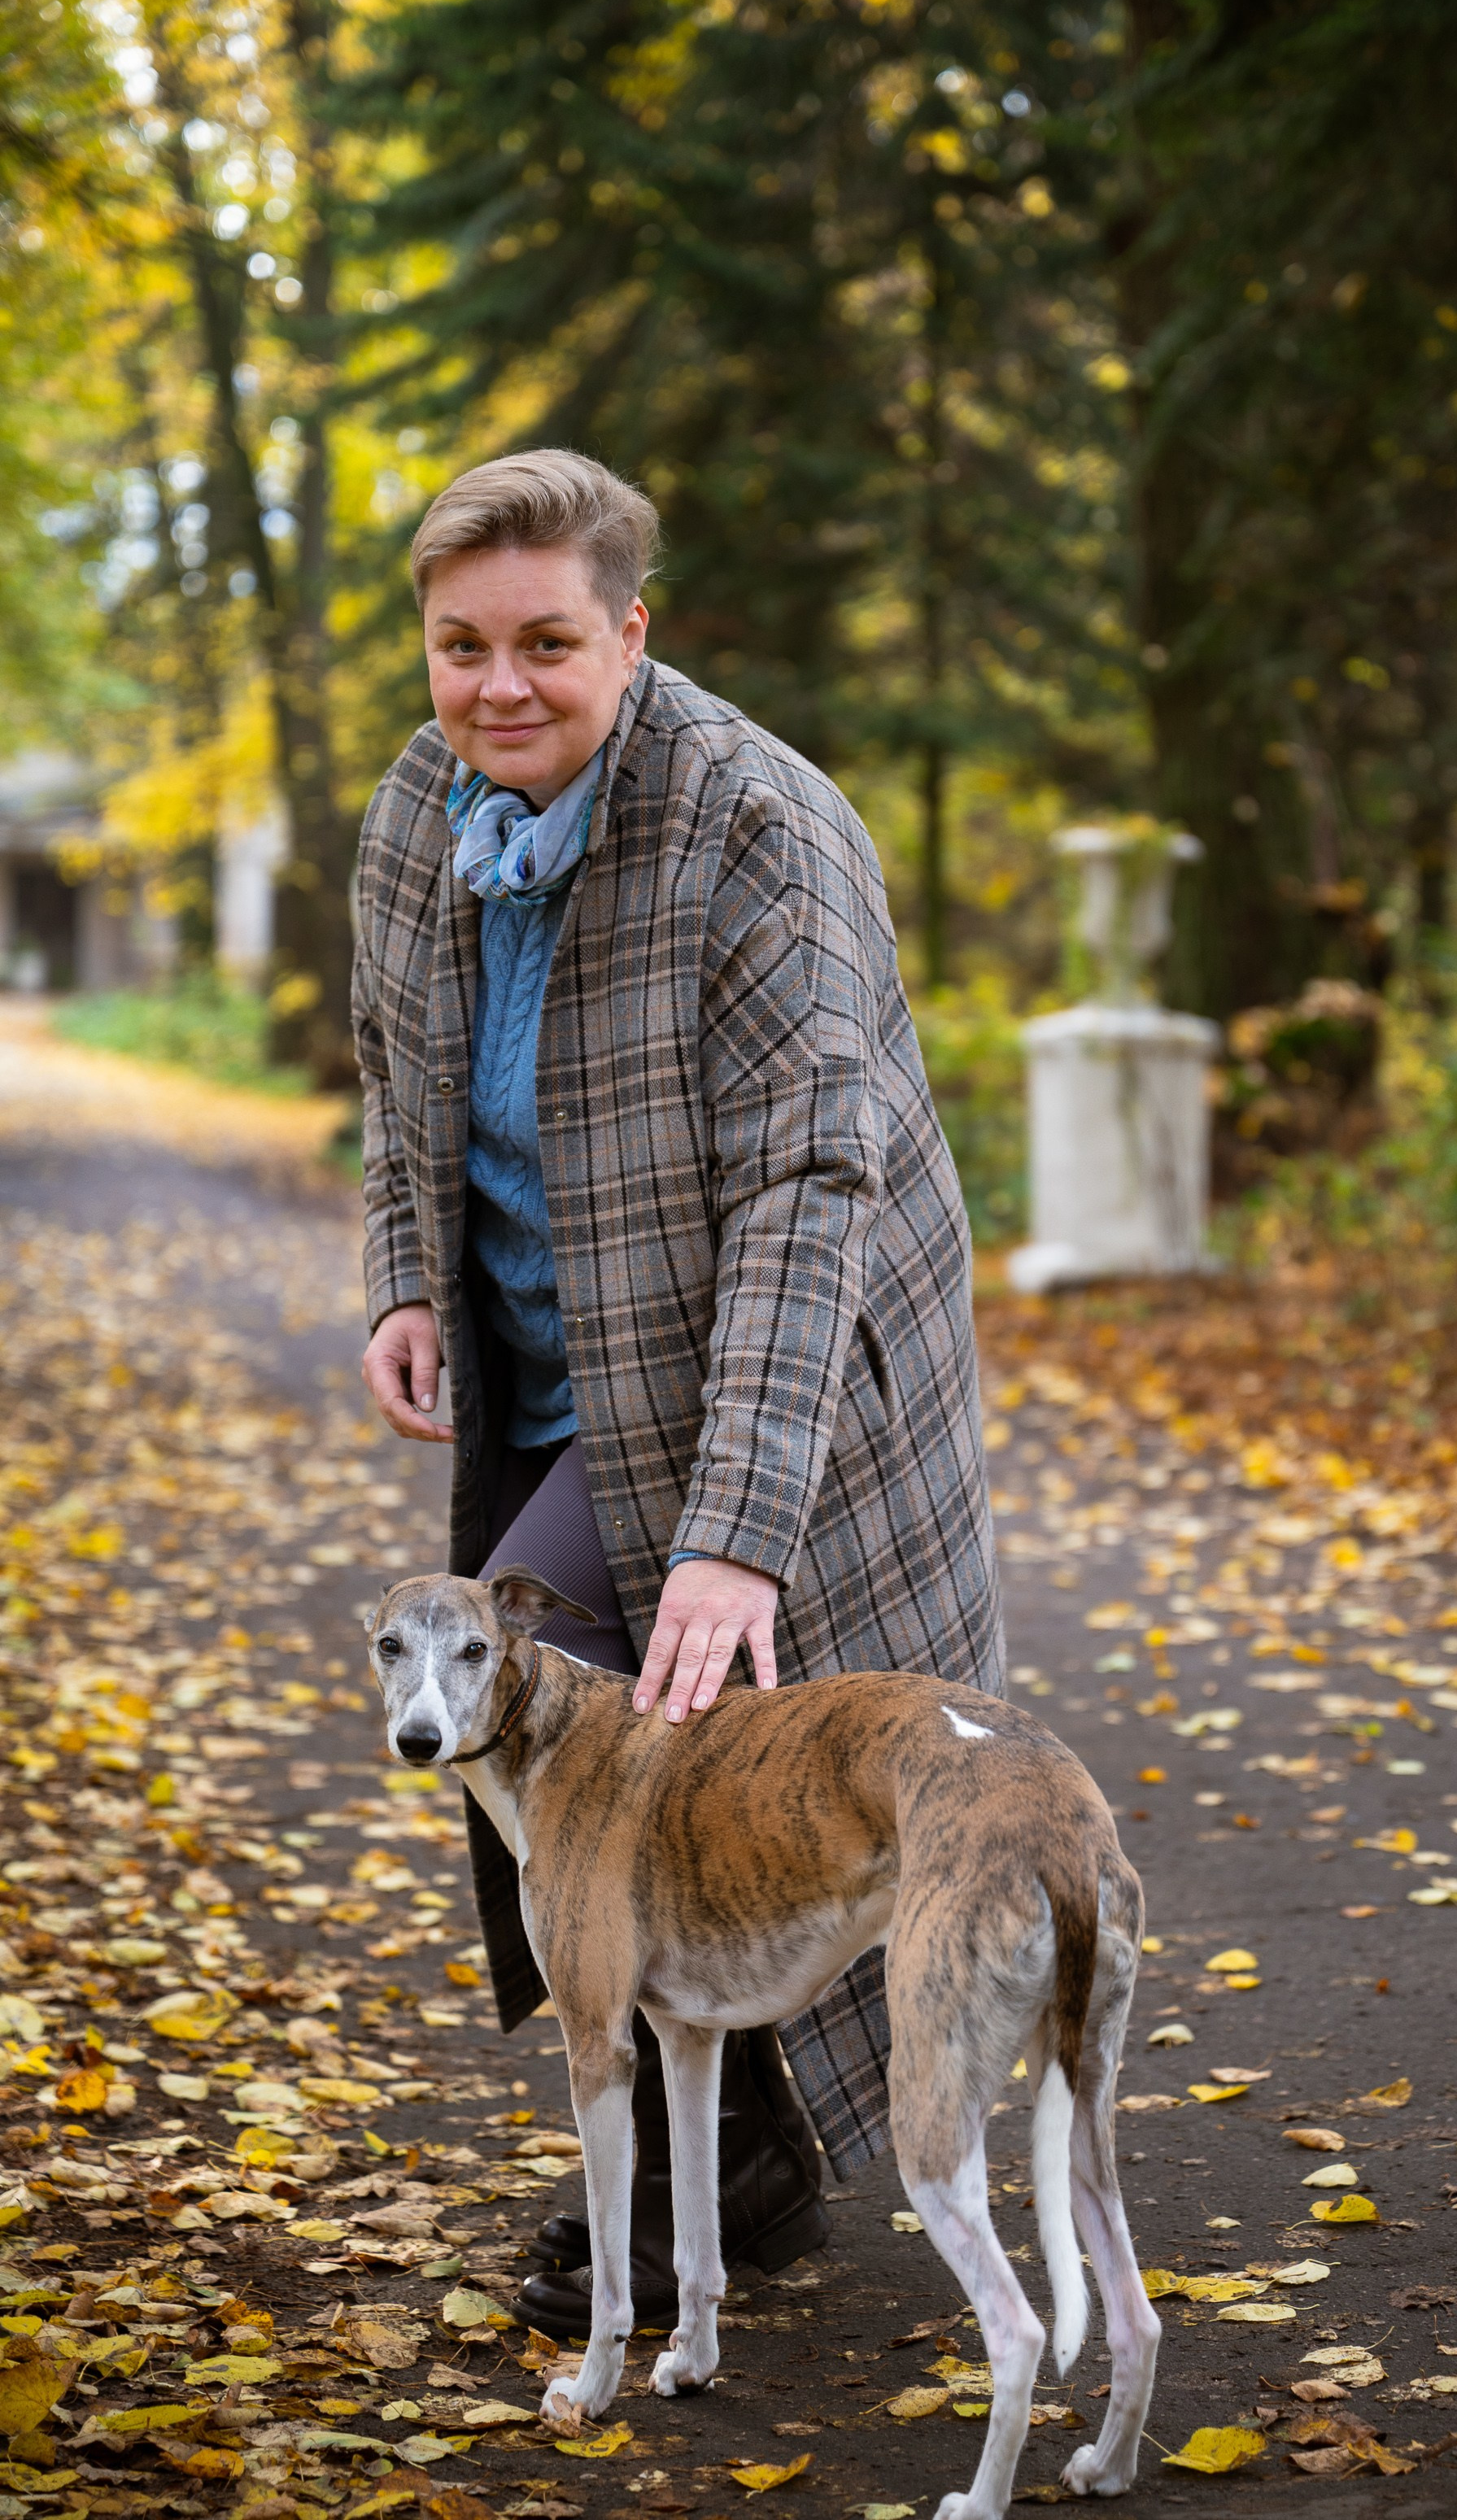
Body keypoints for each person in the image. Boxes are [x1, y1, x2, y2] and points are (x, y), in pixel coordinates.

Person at [351, 449, 1004, 2339]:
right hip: (541, 1369)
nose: (499, 687)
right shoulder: (423, 806)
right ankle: (697, 2134)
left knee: (687, 1762)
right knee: (504, 1744)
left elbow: (814, 1197)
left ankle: (721, 2171)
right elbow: (399, 1077)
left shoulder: (758, 835)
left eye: (549, 642)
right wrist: (406, 1274)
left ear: (633, 633)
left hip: (761, 1373)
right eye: (460, 644)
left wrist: (734, 1534)